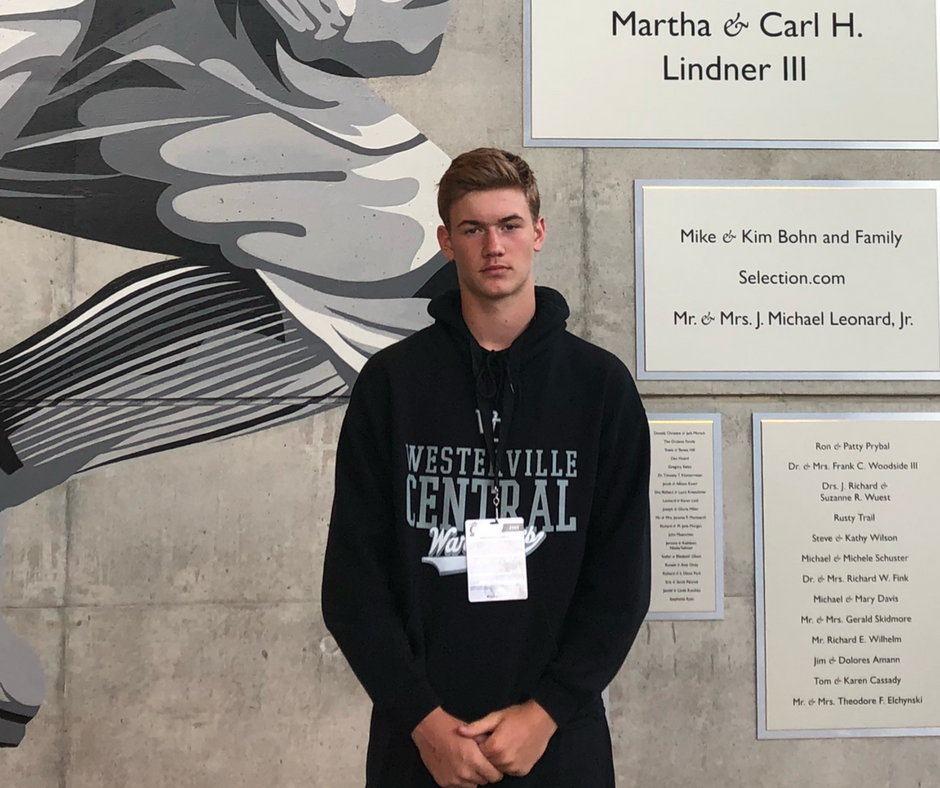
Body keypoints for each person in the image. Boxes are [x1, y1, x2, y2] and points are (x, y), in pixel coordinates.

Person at [322, 148, 651, 787]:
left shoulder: (599, 388)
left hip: (557, 742)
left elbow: (621, 582)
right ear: (447, 242)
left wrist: (548, 711)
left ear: (539, 232)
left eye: (509, 225)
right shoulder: (392, 385)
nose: (493, 246)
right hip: (420, 747)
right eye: (472, 229)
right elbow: (353, 584)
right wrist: (422, 720)